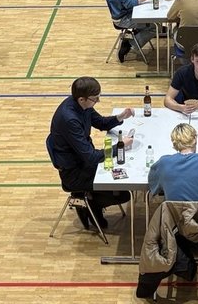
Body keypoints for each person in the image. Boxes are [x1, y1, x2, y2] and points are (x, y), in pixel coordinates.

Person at [46, 76, 134, 230]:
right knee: (123, 194)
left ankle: (91, 200)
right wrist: (119, 146)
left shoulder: (82, 105)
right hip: (74, 172)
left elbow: (100, 122)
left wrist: (120, 116)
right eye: (95, 99)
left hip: (83, 161)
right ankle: (90, 205)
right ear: (82, 99)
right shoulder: (70, 119)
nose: (98, 101)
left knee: (122, 185)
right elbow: (91, 157)